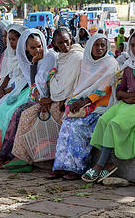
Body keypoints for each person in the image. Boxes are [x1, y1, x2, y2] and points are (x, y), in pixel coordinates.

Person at [83, 30, 135, 182]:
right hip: (127, 104)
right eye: (132, 45)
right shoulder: (129, 65)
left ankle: (100, 165)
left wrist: (126, 96)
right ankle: (107, 162)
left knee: (114, 124)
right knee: (104, 120)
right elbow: (120, 90)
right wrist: (127, 97)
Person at [9, 27, 84, 166]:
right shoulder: (62, 56)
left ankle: (30, 157)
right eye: (60, 43)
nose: (64, 46)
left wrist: (48, 100)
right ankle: (22, 156)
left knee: (27, 115)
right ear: (54, 44)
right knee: (23, 114)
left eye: (66, 42)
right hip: (53, 99)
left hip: (67, 100)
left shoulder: (74, 56)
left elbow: (68, 86)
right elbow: (40, 85)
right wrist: (34, 64)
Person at [50, 31, 119, 180]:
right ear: (89, 47)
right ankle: (60, 166)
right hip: (83, 103)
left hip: (101, 106)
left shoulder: (110, 63)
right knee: (66, 124)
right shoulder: (86, 62)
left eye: (102, 45)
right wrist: (73, 101)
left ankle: (77, 168)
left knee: (77, 127)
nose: (99, 48)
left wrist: (85, 102)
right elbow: (80, 86)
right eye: (96, 45)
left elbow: (103, 89)